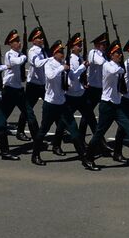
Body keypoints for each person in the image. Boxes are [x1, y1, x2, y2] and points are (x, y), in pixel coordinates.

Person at [84, 39, 129, 169]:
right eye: (117, 53)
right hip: (107, 105)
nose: (120, 55)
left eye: (120, 53)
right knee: (99, 133)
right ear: (111, 55)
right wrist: (122, 68)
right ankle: (88, 158)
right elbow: (114, 71)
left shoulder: (118, 66)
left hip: (117, 106)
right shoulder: (108, 65)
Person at [32, 40, 93, 168]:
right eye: (59, 52)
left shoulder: (64, 63)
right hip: (51, 104)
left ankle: (84, 158)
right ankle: (35, 155)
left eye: (62, 51)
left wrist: (82, 68)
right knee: (44, 130)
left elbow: (73, 76)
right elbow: (50, 76)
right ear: (54, 53)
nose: (62, 54)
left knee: (73, 130)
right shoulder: (50, 63)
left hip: (62, 103)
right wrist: (62, 68)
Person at [0, 30, 41, 146]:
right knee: (3, 116)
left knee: (29, 114)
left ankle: (38, 140)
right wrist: (23, 57)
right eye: (16, 41)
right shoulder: (9, 54)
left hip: (18, 90)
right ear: (10, 43)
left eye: (19, 41)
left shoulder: (19, 54)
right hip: (9, 90)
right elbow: (16, 62)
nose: (19, 43)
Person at [65, 34, 97, 147]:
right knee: (64, 122)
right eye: (78, 45)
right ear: (72, 47)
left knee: (91, 119)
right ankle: (56, 144)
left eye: (81, 44)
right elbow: (73, 76)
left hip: (81, 94)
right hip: (72, 95)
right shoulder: (70, 60)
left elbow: (82, 75)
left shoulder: (80, 58)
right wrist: (83, 67)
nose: (80, 47)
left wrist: (85, 82)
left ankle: (99, 142)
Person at [23, 27, 47, 141]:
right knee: (28, 108)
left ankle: (61, 127)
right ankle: (20, 130)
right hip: (33, 84)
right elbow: (37, 64)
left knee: (52, 105)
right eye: (39, 38)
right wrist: (49, 59)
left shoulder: (43, 50)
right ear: (33, 40)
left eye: (42, 37)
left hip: (43, 83)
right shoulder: (32, 51)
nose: (41, 39)